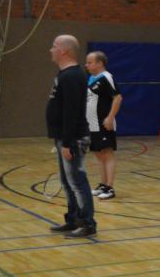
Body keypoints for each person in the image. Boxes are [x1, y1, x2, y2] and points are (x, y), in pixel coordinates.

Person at [46, 35, 97, 238]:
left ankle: (87, 224)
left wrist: (67, 142)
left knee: (77, 182)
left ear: (64, 50)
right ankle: (73, 219)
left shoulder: (73, 76)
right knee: (68, 183)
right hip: (64, 138)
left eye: (54, 46)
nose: (51, 50)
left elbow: (72, 112)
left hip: (73, 139)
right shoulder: (64, 74)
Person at [84, 51, 123, 200]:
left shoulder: (107, 77)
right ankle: (103, 185)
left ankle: (110, 187)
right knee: (99, 154)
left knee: (107, 153)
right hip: (92, 124)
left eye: (90, 62)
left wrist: (110, 118)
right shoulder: (91, 79)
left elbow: (118, 98)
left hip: (103, 123)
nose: (86, 65)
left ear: (100, 63)